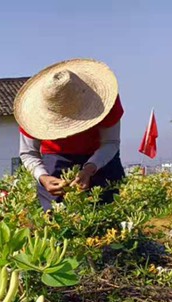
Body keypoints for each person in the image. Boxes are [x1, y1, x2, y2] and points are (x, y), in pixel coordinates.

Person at [14, 58, 125, 211]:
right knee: (56, 215)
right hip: (55, 159)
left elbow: (110, 143)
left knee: (106, 211)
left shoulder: (106, 100)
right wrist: (43, 177)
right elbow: (28, 153)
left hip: (101, 157)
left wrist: (89, 169)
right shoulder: (29, 112)